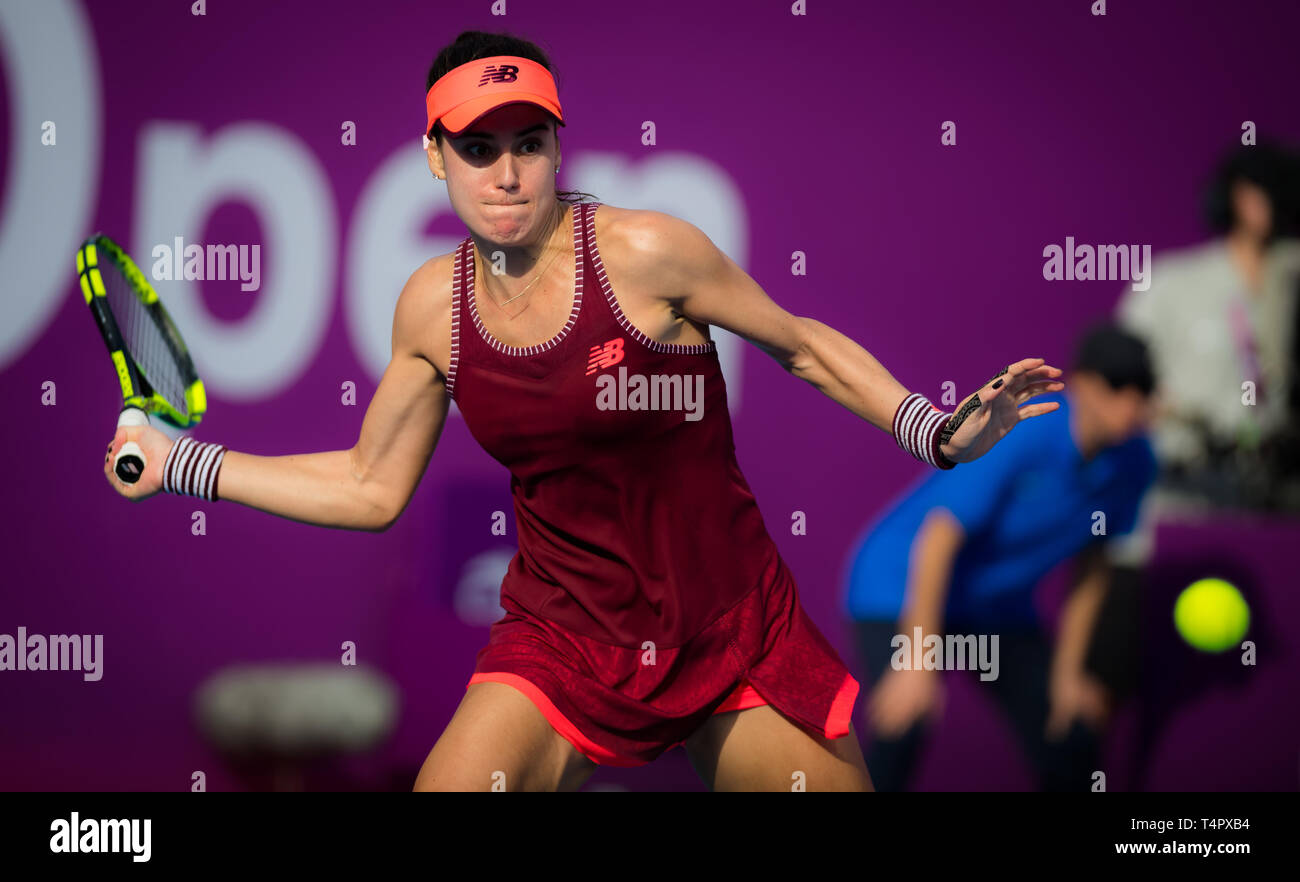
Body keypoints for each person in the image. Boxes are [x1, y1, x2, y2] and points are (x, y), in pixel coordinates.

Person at [103, 29, 1063, 792]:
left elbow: (801, 344)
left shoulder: (650, 253)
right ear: (433, 157)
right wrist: (186, 463)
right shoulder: (430, 309)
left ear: (559, 146)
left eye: (528, 143)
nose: (508, 173)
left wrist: (937, 433)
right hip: (560, 640)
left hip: (730, 634)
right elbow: (369, 483)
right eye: (478, 149)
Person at [843, 323, 1156, 791]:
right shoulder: (1029, 432)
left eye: (1142, 391)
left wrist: (1068, 675)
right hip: (898, 585)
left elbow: (1094, 565)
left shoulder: (1137, 461)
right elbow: (939, 538)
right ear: (1083, 384)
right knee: (904, 723)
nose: (1130, 404)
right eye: (1116, 386)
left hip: (995, 610)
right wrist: (916, 662)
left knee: (1068, 729)